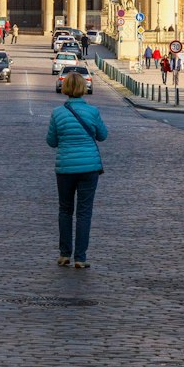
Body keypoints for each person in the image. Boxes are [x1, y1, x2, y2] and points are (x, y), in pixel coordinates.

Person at [45, 72, 108, 268]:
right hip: (89, 167)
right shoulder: (93, 111)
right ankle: (80, 257)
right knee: (84, 212)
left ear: (65, 89)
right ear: (83, 88)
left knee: (65, 211)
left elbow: (51, 141)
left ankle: (64, 254)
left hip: (65, 168)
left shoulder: (57, 113)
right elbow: (103, 135)